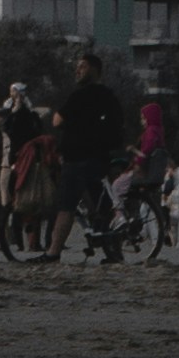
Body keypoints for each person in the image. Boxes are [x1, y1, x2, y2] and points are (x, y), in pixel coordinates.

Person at [52, 45, 126, 262]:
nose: (78, 71)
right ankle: (114, 252)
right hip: (100, 158)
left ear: (94, 69)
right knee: (101, 206)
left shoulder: (80, 95)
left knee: (66, 205)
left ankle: (53, 252)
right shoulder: (109, 96)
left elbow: (57, 120)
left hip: (77, 158)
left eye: (82, 67)